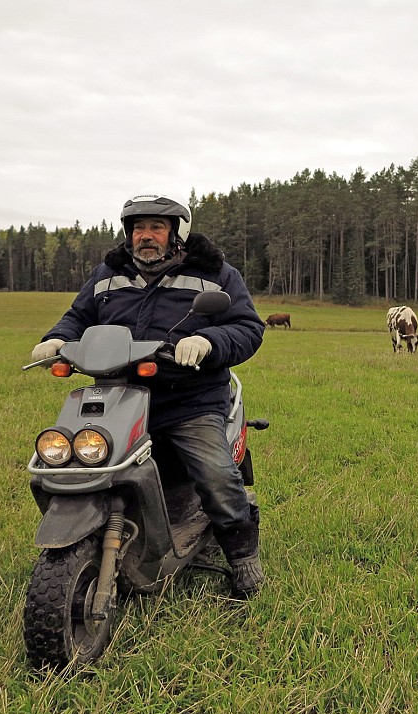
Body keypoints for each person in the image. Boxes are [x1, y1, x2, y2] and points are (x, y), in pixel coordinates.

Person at [30, 193, 266, 597]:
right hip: (117, 395)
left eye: (156, 227)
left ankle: (243, 558)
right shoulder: (108, 272)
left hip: (189, 399)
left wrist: (207, 341)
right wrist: (57, 338)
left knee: (215, 476)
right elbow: (79, 316)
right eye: (138, 227)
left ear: (177, 232)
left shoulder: (215, 273)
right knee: (65, 462)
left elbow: (247, 326)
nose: (146, 236)